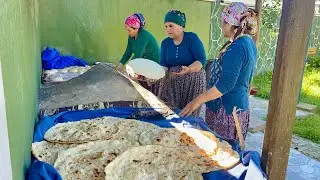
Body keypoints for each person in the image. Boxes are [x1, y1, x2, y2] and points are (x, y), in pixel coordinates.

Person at [179, 2, 258, 140]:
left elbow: (225, 85)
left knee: (221, 153)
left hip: (228, 110)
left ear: (230, 24)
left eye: (223, 22)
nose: (221, 26)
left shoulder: (238, 48)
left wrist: (196, 101)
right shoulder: (246, 42)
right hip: (229, 106)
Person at [158, 10, 207, 116]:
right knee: (171, 113)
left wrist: (189, 69)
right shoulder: (165, 43)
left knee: (189, 113)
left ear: (181, 26)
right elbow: (163, 65)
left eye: (171, 26)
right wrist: (153, 74)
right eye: (166, 26)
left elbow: (201, 60)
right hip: (173, 83)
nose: (168, 29)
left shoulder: (192, 38)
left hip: (193, 82)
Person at [116, 13, 160, 94]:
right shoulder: (131, 36)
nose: (128, 32)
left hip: (155, 63)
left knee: (130, 76)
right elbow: (127, 53)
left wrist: (126, 70)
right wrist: (118, 68)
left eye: (129, 30)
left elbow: (137, 56)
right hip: (144, 62)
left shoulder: (144, 36)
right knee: (128, 74)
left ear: (136, 29)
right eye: (127, 30)